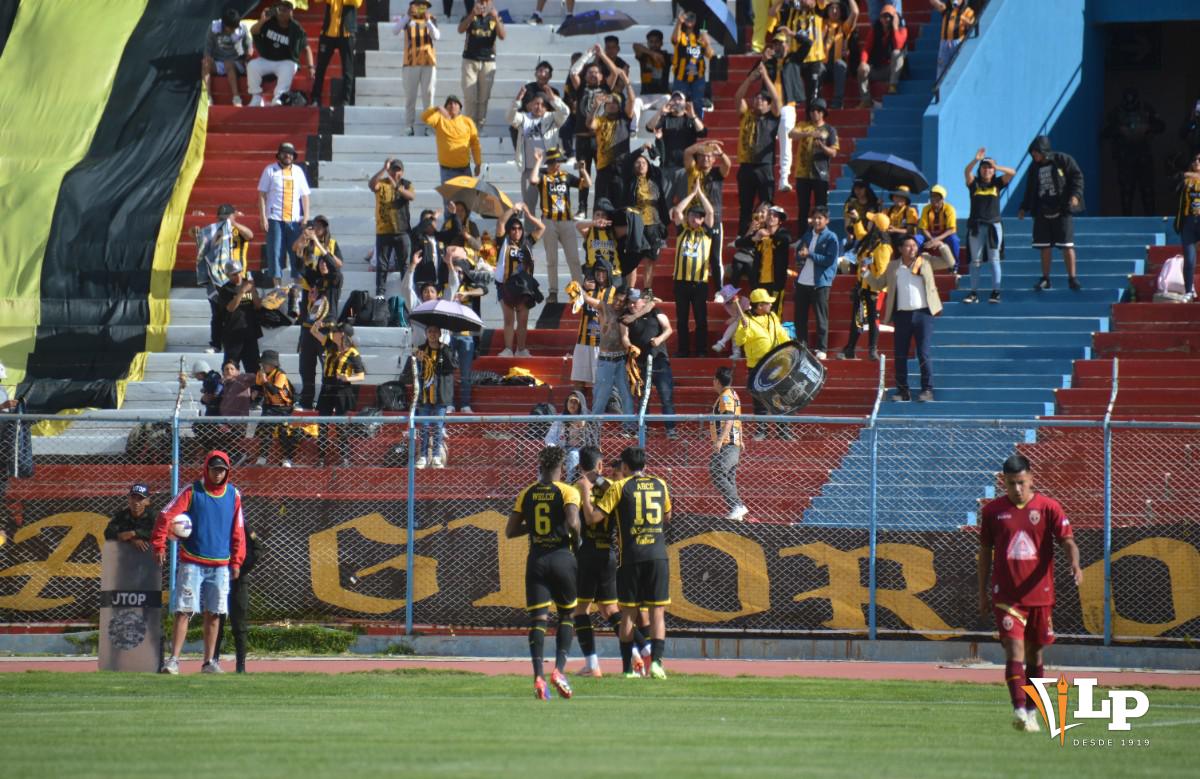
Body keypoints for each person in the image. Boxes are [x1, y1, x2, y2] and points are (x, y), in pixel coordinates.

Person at [978, 454, 1082, 733]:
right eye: (1011, 483)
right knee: (1014, 649)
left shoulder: (1048, 507)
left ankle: (1033, 711)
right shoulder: (992, 512)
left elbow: (1068, 541)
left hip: (1040, 595)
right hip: (1007, 596)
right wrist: (982, 591)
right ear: (1004, 482)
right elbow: (985, 552)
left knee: (1035, 656)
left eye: (1022, 482)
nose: (1017, 489)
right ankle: (1019, 710)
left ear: (1032, 478)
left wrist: (1074, 563)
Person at [580, 446, 671, 680]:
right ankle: (656, 661)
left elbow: (591, 518)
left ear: (625, 467)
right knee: (654, 611)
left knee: (624, 613)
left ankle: (622, 668)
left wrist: (586, 487)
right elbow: (667, 516)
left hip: (623, 555)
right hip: (654, 553)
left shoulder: (619, 487)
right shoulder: (660, 484)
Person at [153, 451, 246, 675]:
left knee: (214, 613)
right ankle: (174, 660)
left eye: (222, 470)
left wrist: (236, 561)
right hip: (192, 562)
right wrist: (159, 544)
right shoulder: (192, 490)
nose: (218, 474)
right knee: (184, 610)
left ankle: (209, 662)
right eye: (214, 469)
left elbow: (238, 530)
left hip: (221, 565)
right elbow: (166, 514)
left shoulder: (233, 495)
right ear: (207, 469)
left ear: (227, 471)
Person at [505, 446, 582, 700]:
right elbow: (572, 523)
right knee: (566, 615)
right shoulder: (568, 491)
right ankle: (559, 671)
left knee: (538, 619)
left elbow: (510, 531)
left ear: (540, 466)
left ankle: (538, 676)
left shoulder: (527, 493)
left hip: (536, 559)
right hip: (562, 557)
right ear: (561, 467)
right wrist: (577, 539)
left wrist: (537, 528)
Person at [571, 447, 639, 677]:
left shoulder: (576, 488)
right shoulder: (613, 487)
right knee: (610, 608)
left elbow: (573, 522)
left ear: (580, 465)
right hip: (610, 553)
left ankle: (592, 666)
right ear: (600, 466)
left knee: (581, 610)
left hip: (588, 553)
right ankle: (639, 655)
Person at [869, 234, 954, 401]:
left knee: (923, 353)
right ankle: (902, 391)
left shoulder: (926, 260)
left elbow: (949, 262)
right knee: (900, 354)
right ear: (900, 249)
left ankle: (927, 390)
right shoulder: (893, 266)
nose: (912, 248)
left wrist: (942, 245)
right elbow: (879, 284)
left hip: (923, 314)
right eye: (908, 246)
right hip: (902, 315)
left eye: (914, 245)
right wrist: (866, 274)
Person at [1019, 136, 1085, 291]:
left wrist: (1075, 196)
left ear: (1044, 150)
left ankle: (1072, 278)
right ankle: (1045, 279)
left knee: (1067, 245)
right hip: (1042, 210)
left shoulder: (1062, 160)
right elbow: (1030, 189)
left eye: (1036, 152)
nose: (1034, 156)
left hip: (1062, 209)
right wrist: (1024, 207)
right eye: (1032, 153)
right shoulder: (1034, 167)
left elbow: (1077, 177)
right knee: (1044, 246)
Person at [527, 148, 586, 307]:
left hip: (566, 221)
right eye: (553, 162)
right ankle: (553, 292)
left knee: (573, 259)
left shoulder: (566, 176)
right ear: (549, 163)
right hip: (549, 221)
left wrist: (583, 170)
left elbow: (586, 184)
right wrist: (538, 161)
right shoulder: (543, 175)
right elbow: (532, 180)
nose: (557, 165)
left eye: (558, 162)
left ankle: (578, 293)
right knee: (551, 260)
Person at [194, 204, 252, 354]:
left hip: (239, 277)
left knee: (241, 312)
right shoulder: (214, 231)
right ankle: (216, 344)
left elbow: (250, 235)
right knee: (217, 312)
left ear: (233, 215)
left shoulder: (236, 230)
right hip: (219, 278)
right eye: (221, 218)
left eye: (225, 217)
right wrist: (195, 231)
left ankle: (242, 341)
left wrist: (233, 224)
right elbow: (201, 238)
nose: (222, 220)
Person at [669, 182, 718, 357]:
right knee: (682, 320)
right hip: (681, 282)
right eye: (692, 215)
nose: (694, 219)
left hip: (699, 283)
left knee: (700, 320)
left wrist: (700, 193)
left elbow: (711, 212)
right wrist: (692, 194)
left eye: (698, 216)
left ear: (702, 220)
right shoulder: (682, 231)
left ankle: (701, 350)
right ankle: (683, 350)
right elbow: (677, 211)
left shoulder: (706, 233)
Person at [1101, 88, 1165, 216]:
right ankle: (1127, 220)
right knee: (1126, 191)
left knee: (1147, 190)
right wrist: (1120, 130)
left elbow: (1161, 126)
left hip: (1143, 155)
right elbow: (1105, 132)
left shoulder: (1146, 109)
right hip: (1125, 156)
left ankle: (1150, 219)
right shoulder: (1117, 112)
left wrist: (1147, 128)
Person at [963, 148, 1016, 304]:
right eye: (984, 167)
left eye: (990, 167)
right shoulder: (974, 184)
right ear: (980, 169)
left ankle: (995, 292)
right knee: (975, 261)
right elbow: (966, 171)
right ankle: (973, 293)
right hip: (976, 226)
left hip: (994, 226)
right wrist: (975, 160)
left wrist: (997, 166)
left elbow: (1012, 172)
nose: (987, 170)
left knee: (994, 259)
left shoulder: (997, 183)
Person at [734, 288, 789, 439]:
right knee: (759, 399)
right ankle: (761, 430)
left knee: (781, 397)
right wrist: (744, 329)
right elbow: (739, 341)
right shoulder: (746, 319)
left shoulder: (772, 316)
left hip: (776, 362)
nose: (771, 305)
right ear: (759, 306)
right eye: (767, 303)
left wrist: (791, 347)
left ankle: (782, 430)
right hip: (756, 365)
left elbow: (782, 334)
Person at [309, 321, 365, 466]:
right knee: (323, 423)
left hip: (342, 389)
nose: (332, 333)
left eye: (336, 332)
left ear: (343, 335)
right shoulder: (330, 345)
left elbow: (361, 375)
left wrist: (348, 378)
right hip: (327, 387)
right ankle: (321, 457)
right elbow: (313, 332)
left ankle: (344, 457)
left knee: (341, 424)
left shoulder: (353, 353)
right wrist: (317, 325)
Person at [735, 65, 783, 236]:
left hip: (765, 166)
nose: (758, 101)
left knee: (768, 205)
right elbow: (738, 97)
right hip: (746, 165)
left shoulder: (773, 117)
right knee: (745, 206)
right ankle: (743, 236)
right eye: (756, 98)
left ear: (768, 105)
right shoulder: (746, 114)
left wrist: (765, 77)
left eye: (763, 99)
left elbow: (776, 99)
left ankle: (768, 235)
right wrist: (750, 78)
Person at [567, 57, 617, 218]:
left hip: (601, 139)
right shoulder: (581, 87)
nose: (594, 75)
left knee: (603, 174)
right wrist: (588, 54)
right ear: (585, 75)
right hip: (582, 138)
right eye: (590, 72)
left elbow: (615, 72)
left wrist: (602, 54)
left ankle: (600, 209)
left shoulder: (606, 88)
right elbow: (574, 71)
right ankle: (582, 208)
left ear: (602, 76)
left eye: (597, 72)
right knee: (583, 172)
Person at [214, 514, 263, 674]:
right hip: (217, 578)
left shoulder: (243, 526)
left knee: (239, 624)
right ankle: (211, 661)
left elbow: (257, 550)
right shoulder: (214, 523)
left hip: (238, 581)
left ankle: (241, 666)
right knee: (215, 621)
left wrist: (240, 570)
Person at [838, 212, 891, 362]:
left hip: (875, 289)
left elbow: (881, 270)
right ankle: (850, 349)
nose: (869, 223)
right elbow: (860, 233)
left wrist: (867, 269)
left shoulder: (883, 246)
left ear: (876, 226)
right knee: (857, 319)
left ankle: (872, 350)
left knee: (874, 320)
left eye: (871, 221)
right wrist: (856, 220)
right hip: (862, 286)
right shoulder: (869, 240)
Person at [494, 204, 546, 357]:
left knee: (522, 321)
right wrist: (513, 209)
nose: (516, 231)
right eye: (513, 228)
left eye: (519, 228)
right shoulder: (503, 242)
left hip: (524, 286)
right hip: (506, 285)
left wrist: (529, 215)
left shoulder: (527, 242)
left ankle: (521, 349)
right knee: (509, 319)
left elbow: (542, 228)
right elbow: (500, 223)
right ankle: (508, 349)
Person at [625, 290, 677, 439]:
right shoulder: (627, 317)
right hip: (640, 363)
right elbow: (624, 336)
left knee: (666, 396)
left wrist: (659, 339)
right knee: (642, 399)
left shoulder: (655, 311)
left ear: (643, 301)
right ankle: (644, 428)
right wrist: (630, 347)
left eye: (635, 301)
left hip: (659, 361)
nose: (632, 304)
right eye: (630, 302)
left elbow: (668, 329)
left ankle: (671, 429)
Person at [257, 142, 311, 288]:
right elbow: (262, 195)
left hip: (294, 220)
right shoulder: (270, 170)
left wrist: (305, 218)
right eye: (284, 153)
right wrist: (263, 217)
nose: (287, 155)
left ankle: (296, 288)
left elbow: (305, 196)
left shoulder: (298, 171)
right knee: (275, 252)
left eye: (290, 153)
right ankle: (277, 287)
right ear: (279, 155)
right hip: (275, 219)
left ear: (293, 156)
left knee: (296, 252)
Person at [403, 325, 458, 468]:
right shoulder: (420, 350)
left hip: (440, 396)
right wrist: (418, 361)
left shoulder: (446, 350)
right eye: (429, 331)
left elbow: (452, 366)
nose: (432, 334)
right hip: (424, 396)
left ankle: (436, 456)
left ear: (440, 333)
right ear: (426, 334)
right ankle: (422, 455)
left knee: (438, 426)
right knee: (425, 426)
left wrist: (443, 352)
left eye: (435, 331)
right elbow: (409, 373)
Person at [510, 88, 570, 216]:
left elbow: (565, 112)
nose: (539, 107)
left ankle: (549, 235)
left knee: (553, 206)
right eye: (536, 103)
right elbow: (510, 118)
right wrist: (517, 101)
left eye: (543, 104)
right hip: (529, 170)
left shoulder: (553, 117)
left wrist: (554, 99)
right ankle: (531, 235)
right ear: (530, 105)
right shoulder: (524, 118)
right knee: (528, 208)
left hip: (550, 170)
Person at [761, 28, 806, 195]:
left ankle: (784, 178)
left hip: (787, 105)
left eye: (781, 43)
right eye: (776, 43)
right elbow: (754, 75)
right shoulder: (770, 62)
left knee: (786, 142)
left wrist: (793, 33)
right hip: (770, 107)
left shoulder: (794, 58)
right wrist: (764, 60)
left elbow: (808, 43)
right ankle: (769, 176)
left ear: (787, 44)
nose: (778, 46)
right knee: (766, 142)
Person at [682, 140, 732, 284]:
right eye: (703, 156)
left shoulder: (717, 173)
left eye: (710, 156)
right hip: (693, 219)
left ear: (714, 159)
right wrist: (704, 145)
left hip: (713, 219)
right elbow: (687, 152)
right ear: (697, 158)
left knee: (715, 258)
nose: (706, 158)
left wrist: (720, 152)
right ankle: (694, 285)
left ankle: (720, 290)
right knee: (693, 255)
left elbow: (727, 164)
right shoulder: (693, 170)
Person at [588, 284, 635, 432]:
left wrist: (630, 348)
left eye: (622, 301)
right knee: (601, 397)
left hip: (621, 360)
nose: (618, 303)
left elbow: (651, 302)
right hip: (605, 360)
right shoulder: (604, 307)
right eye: (617, 299)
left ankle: (629, 428)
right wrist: (579, 289)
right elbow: (589, 300)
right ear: (613, 296)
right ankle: (594, 429)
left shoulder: (626, 313)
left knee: (626, 395)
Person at [248, 2, 313, 107]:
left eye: (285, 10)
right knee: (252, 65)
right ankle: (256, 97)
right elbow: (253, 31)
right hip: (267, 59)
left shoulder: (296, 29)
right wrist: (262, 20)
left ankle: (278, 98)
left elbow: (307, 48)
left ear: (291, 13)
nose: (281, 13)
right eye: (279, 9)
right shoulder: (269, 22)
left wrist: (310, 67)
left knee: (290, 66)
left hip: (285, 61)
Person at [795, 205, 839, 359]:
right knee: (799, 317)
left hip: (820, 282)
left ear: (827, 220)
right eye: (815, 217)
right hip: (802, 281)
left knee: (821, 317)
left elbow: (829, 260)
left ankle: (822, 348)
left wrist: (810, 254)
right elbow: (799, 253)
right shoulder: (807, 235)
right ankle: (802, 345)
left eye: (820, 217)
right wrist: (800, 255)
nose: (817, 220)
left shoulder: (831, 237)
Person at [789, 98, 839, 230]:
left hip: (820, 174)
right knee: (803, 207)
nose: (813, 113)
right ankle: (802, 235)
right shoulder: (803, 125)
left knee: (821, 208)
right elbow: (791, 134)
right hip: (802, 173)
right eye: (811, 110)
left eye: (817, 110)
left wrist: (822, 146)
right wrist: (809, 133)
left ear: (822, 113)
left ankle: (820, 234)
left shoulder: (830, 130)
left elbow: (833, 152)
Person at [424, 95, 482, 209]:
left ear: (460, 107)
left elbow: (475, 144)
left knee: (466, 204)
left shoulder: (467, 122)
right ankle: (449, 227)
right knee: (449, 206)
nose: (452, 105)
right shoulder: (439, 119)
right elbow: (424, 118)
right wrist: (436, 108)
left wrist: (478, 163)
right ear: (445, 107)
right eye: (449, 103)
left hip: (465, 170)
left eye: (455, 103)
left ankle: (466, 227)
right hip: (447, 171)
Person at [589, 79, 637, 214]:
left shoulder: (625, 117)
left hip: (622, 168)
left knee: (621, 205)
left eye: (615, 103)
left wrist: (627, 83)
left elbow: (632, 101)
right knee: (601, 205)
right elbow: (590, 124)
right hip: (604, 168)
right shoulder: (600, 120)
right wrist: (595, 106)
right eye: (608, 103)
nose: (611, 105)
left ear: (619, 106)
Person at [369, 159, 416, 296]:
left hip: (402, 230)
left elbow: (411, 196)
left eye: (398, 170)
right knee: (382, 265)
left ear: (402, 171)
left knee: (404, 265)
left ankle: (407, 293)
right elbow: (372, 185)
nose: (396, 172)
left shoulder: (406, 184)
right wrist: (383, 169)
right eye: (393, 169)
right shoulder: (382, 183)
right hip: (384, 230)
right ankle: (380, 295)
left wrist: (398, 188)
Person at [456, 0, 505, 128]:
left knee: (484, 97)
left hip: (488, 61)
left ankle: (480, 127)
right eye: (480, 1)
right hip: (470, 60)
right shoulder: (470, 15)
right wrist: (472, 14)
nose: (483, 4)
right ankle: (470, 127)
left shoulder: (495, 17)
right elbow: (460, 30)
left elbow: (502, 36)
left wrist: (496, 18)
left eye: (486, 1)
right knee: (469, 96)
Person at [737, 205, 791, 316]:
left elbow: (786, 239)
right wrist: (754, 237)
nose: (771, 217)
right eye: (770, 214)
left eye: (775, 216)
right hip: (759, 281)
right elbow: (739, 243)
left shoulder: (783, 234)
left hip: (776, 282)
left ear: (780, 221)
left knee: (774, 314)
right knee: (758, 313)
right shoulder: (760, 234)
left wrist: (770, 234)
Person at [397, 0, 440, 137]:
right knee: (410, 96)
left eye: (423, 5)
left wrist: (428, 21)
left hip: (428, 62)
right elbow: (395, 30)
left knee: (428, 96)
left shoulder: (432, 19)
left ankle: (429, 127)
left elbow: (437, 36)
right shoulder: (407, 19)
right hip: (410, 62)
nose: (421, 8)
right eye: (418, 4)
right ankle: (409, 126)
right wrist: (407, 16)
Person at [710, 366, 747, 521]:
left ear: (717, 381)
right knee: (729, 478)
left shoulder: (726, 396)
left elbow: (730, 418)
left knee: (716, 470)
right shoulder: (733, 394)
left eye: (713, 380)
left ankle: (737, 506)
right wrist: (742, 439)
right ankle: (736, 510)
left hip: (728, 442)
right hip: (733, 442)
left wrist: (720, 440)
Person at [310, 0, 362, 107]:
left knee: (348, 69)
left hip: (347, 33)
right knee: (320, 67)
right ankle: (315, 98)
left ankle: (346, 101)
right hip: (328, 32)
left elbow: (357, 2)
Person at [292, 215, 345, 315]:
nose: (319, 228)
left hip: (325, 283)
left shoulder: (332, 243)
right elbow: (295, 248)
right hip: (309, 283)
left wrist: (328, 253)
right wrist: (304, 234)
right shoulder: (308, 242)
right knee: (306, 315)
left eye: (322, 226)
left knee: (322, 313)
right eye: (316, 225)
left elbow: (339, 264)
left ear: (326, 228)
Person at [216, 262, 263, 374]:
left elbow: (257, 306)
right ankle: (230, 390)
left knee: (253, 368)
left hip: (250, 332)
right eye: (234, 274)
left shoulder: (248, 284)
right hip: (233, 334)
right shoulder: (225, 289)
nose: (237, 276)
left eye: (238, 273)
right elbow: (230, 308)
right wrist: (242, 291)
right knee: (231, 367)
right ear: (228, 275)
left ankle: (255, 391)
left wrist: (252, 291)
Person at [857, 3, 907, 108]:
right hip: (877, 67)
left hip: (892, 70)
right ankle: (866, 100)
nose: (886, 19)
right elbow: (867, 48)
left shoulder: (902, 30)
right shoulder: (875, 30)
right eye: (883, 16)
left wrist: (895, 28)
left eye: (889, 17)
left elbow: (898, 45)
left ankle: (892, 85)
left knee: (897, 53)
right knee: (863, 68)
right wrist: (863, 62)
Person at [253, 350, 298, 467]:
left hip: (284, 408)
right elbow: (258, 387)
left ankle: (287, 458)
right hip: (269, 406)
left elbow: (274, 391)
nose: (264, 366)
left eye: (266, 363)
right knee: (264, 430)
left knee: (284, 432)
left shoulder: (280, 374)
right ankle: (262, 457)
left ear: (274, 365)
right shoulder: (260, 373)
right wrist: (254, 394)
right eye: (263, 363)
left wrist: (265, 381)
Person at [295, 273, 332, 409]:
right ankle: (306, 401)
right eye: (312, 288)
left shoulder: (330, 292)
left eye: (317, 288)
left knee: (327, 370)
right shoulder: (308, 293)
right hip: (307, 333)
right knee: (305, 369)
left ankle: (326, 402)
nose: (313, 290)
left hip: (324, 333)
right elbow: (308, 316)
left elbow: (333, 274)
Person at [204, 8, 250, 106]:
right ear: (224, 25)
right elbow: (208, 48)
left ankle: (236, 98)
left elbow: (248, 44)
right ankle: (208, 97)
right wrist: (208, 57)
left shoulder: (242, 29)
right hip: (218, 62)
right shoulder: (213, 28)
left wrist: (249, 52)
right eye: (231, 28)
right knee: (205, 63)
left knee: (228, 63)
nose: (233, 30)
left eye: (235, 28)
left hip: (236, 61)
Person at [670, 11, 713, 118]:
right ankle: (678, 128)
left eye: (692, 17)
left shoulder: (700, 37)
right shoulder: (681, 34)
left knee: (698, 104)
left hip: (698, 78)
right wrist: (679, 23)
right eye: (687, 17)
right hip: (681, 77)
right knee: (678, 104)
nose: (689, 19)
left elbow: (710, 55)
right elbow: (674, 40)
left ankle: (698, 127)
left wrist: (707, 43)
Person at [543, 391, 595, 478]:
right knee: (547, 454)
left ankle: (569, 481)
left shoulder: (587, 420)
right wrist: (553, 449)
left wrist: (582, 428)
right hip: (561, 450)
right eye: (570, 401)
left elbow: (591, 442)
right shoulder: (560, 419)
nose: (572, 404)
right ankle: (545, 482)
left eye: (575, 402)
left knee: (573, 455)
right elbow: (549, 438)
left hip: (580, 451)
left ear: (580, 405)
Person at [632, 29, 671, 132]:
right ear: (648, 43)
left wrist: (657, 55)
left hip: (661, 95)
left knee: (668, 99)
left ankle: (662, 128)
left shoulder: (666, 56)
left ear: (661, 43)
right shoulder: (644, 55)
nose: (653, 44)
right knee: (636, 101)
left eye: (656, 41)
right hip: (646, 95)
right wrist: (652, 54)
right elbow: (635, 46)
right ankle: (633, 129)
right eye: (651, 41)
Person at [822, 0, 859, 109]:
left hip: (837, 69)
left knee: (840, 64)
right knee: (816, 66)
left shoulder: (844, 27)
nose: (834, 11)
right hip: (823, 66)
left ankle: (838, 101)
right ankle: (817, 101)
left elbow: (855, 13)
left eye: (837, 8)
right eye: (831, 8)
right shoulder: (821, 24)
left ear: (841, 11)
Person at [1174, 152, 1200, 302]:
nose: (1197, 162)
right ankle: (1189, 290)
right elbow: (1172, 184)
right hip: (1189, 222)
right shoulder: (1186, 179)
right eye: (1195, 159)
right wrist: (1184, 176)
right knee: (1189, 259)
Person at [104, 483, 155, 552]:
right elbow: (108, 533)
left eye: (140, 498)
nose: (135, 502)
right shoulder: (121, 515)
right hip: (125, 555)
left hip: (150, 554)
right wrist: (131, 539)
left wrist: (134, 533)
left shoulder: (153, 516)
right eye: (133, 497)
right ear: (128, 498)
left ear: (147, 501)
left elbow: (159, 533)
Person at [918, 184, 960, 263]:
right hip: (930, 236)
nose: (934, 199)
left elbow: (951, 229)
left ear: (943, 198)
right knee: (917, 239)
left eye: (938, 197)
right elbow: (923, 228)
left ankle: (955, 265)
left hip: (945, 235)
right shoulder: (926, 209)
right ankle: (917, 263)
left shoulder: (949, 209)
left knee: (954, 240)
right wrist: (931, 240)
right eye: (932, 196)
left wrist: (936, 240)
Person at [843, 178, 881, 245]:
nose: (858, 191)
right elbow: (847, 222)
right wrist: (849, 235)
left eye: (861, 188)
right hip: (854, 234)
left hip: (869, 235)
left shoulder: (874, 203)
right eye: (855, 188)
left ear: (866, 189)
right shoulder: (850, 203)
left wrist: (879, 207)